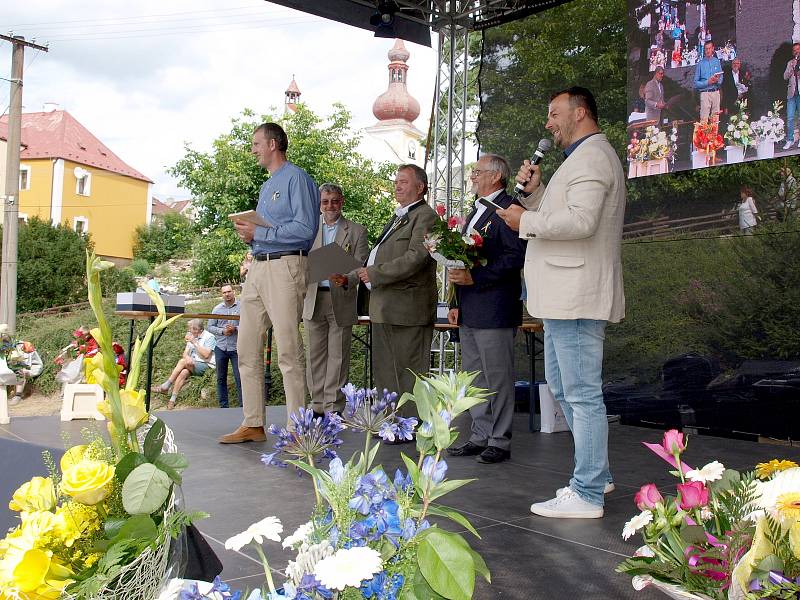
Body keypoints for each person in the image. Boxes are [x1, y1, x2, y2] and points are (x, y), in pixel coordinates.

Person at [497, 86, 625, 519]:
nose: (548, 123)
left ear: (580, 113)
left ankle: (587, 492)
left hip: (576, 298)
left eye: (555, 113)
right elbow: (568, 211)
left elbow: (582, 221)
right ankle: (598, 473)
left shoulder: (592, 157)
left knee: (582, 394)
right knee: (566, 388)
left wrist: (525, 219)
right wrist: (535, 195)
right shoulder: (580, 160)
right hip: (561, 299)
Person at [219, 122, 319, 443]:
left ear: (273, 144)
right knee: (247, 346)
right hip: (258, 268)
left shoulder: (297, 179)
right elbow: (269, 230)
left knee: (288, 350)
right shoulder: (267, 186)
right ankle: (253, 422)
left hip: (286, 266)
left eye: (256, 144)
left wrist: (258, 233)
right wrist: (251, 236)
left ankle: (298, 429)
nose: (253, 150)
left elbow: (305, 229)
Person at [445, 154, 526, 465]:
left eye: (477, 172)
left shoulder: (508, 209)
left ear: (495, 176)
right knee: (474, 378)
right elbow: (462, 260)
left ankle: (500, 439)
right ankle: (480, 435)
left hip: (495, 308)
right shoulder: (476, 211)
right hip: (470, 307)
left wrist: (475, 277)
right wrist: (455, 301)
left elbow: (515, 257)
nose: (472, 178)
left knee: (498, 378)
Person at [357, 164, 437, 423]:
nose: (397, 186)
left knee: (409, 373)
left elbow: (417, 257)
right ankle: (390, 422)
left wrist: (376, 273)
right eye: (396, 182)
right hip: (384, 306)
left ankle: (410, 425)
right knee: (386, 373)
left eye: (403, 181)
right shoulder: (400, 216)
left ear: (420, 187)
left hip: (408, 308)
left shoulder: (425, 216)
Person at [303, 183, 369, 416]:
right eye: (325, 201)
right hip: (313, 298)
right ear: (319, 205)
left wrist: (347, 278)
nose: (330, 205)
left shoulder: (357, 230)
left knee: (338, 356)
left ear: (342, 202)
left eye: (334, 200)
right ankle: (317, 405)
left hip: (341, 297)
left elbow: (360, 263)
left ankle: (334, 407)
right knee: (315, 355)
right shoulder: (308, 230)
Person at [152, 319, 216, 410]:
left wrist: (194, 342)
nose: (189, 331)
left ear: (199, 330)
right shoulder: (192, 335)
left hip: (206, 365)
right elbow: (185, 353)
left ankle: (166, 386)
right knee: (184, 372)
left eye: (191, 329)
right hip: (193, 364)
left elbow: (206, 355)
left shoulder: (209, 337)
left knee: (182, 362)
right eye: (189, 329)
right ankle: (172, 399)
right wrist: (187, 358)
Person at [207, 284, 242, 408]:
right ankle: (223, 407)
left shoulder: (242, 307)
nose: (227, 294)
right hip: (221, 347)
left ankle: (243, 407)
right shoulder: (217, 309)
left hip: (236, 348)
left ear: (234, 292)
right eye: (224, 292)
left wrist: (235, 328)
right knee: (221, 379)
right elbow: (210, 327)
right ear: (221, 294)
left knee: (240, 378)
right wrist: (223, 331)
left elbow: (249, 323)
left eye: (229, 291)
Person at [2, 341, 43, 406]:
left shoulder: (23, 346)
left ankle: (18, 395)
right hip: (14, 366)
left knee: (21, 371)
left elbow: (25, 365)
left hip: (32, 368)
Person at [694, 40, 723, 121]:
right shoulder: (700, 64)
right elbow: (696, 83)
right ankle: (704, 134)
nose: (708, 51)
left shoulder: (717, 61)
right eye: (706, 49)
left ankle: (714, 134)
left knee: (715, 120)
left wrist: (718, 81)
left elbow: (721, 76)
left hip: (716, 93)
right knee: (704, 120)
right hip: (705, 94)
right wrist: (707, 82)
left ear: (713, 49)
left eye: (709, 48)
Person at [784, 43, 800, 150]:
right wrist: (791, 68)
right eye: (794, 50)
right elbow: (785, 77)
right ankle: (789, 140)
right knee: (790, 117)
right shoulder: (790, 62)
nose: (796, 52)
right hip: (791, 94)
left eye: (798, 50)